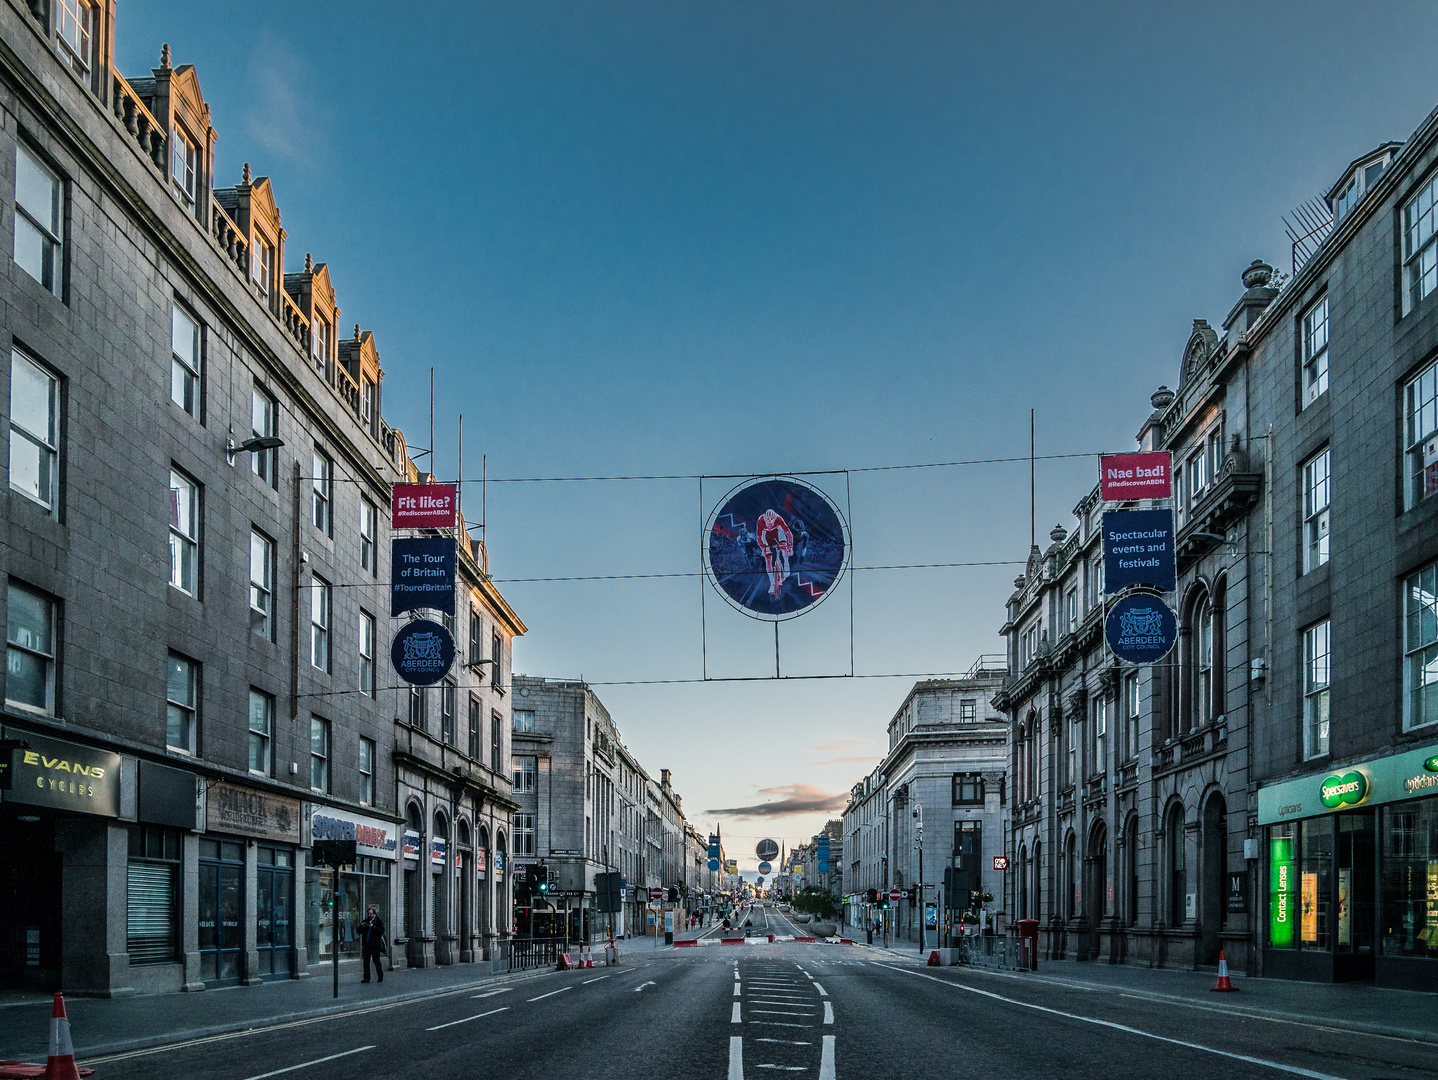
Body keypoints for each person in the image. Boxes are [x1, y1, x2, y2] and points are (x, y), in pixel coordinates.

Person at [755, 509, 794, 599]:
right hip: (766, 535)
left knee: (784, 547)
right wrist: (763, 549)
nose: (770, 525)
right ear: (765, 520)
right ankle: (771, 582)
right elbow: (759, 537)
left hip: (778, 531)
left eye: (772, 523)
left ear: (774, 519)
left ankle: (786, 561)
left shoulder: (779, 519)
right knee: (768, 558)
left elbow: (789, 534)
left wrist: (790, 547)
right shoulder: (760, 521)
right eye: (768, 523)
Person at [358, 905, 386, 983]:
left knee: (376, 961)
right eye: (368, 914)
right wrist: (361, 926)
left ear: (374, 914)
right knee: (366, 962)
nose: (369, 915)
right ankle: (366, 978)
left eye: (371, 914)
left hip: (375, 945)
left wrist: (373, 927)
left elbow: (381, 931)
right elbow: (358, 931)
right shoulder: (365, 921)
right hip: (367, 945)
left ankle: (380, 976)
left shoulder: (378, 921)